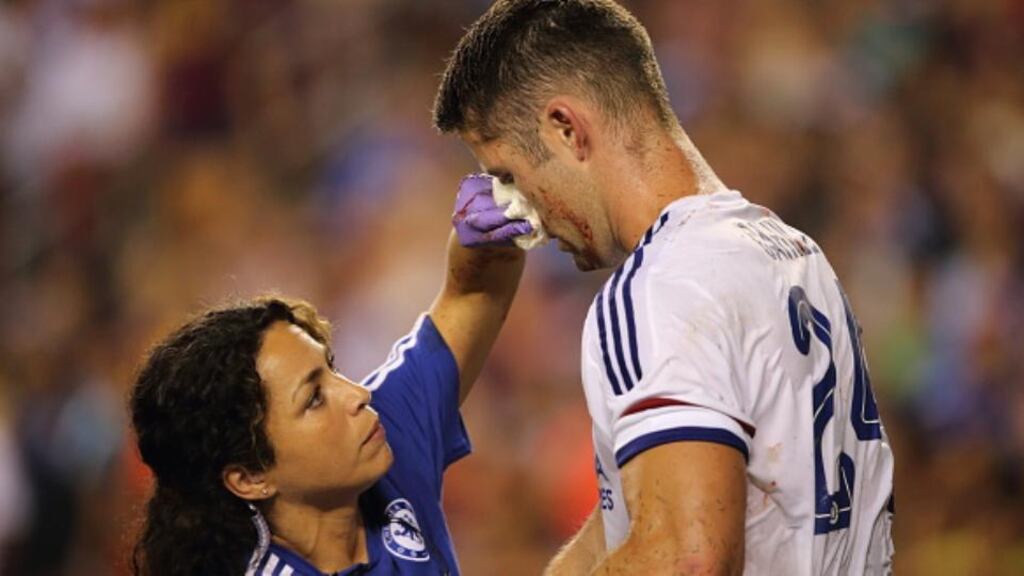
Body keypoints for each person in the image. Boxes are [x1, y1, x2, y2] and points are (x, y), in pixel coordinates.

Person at [433, 0, 895, 574]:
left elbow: (687, 558)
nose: (520, 213)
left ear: (567, 128)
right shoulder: (793, 252)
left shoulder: (659, 287)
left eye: (507, 176)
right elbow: (643, 511)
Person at [128, 191, 532, 576]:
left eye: (331, 368)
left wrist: (499, 200)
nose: (358, 394)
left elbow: (473, 292)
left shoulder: (379, 439)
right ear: (250, 478)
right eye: (314, 399)